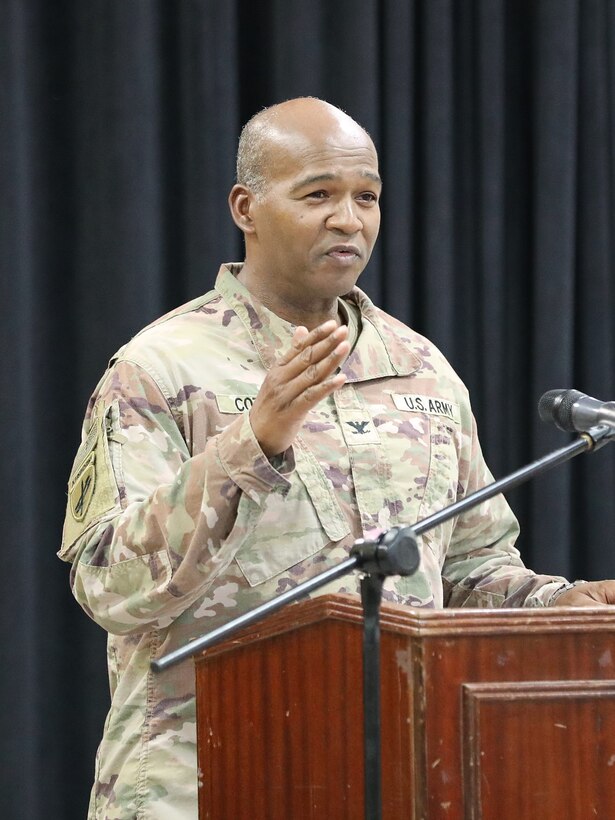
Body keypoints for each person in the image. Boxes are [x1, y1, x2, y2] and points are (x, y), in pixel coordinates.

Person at [59, 97, 615, 819]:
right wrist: (250, 444)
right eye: (317, 194)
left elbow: (471, 569)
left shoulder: (420, 369)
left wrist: (556, 605)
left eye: (366, 197)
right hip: (198, 780)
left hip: (391, 776)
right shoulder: (160, 368)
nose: (348, 219)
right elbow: (108, 584)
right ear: (246, 207)